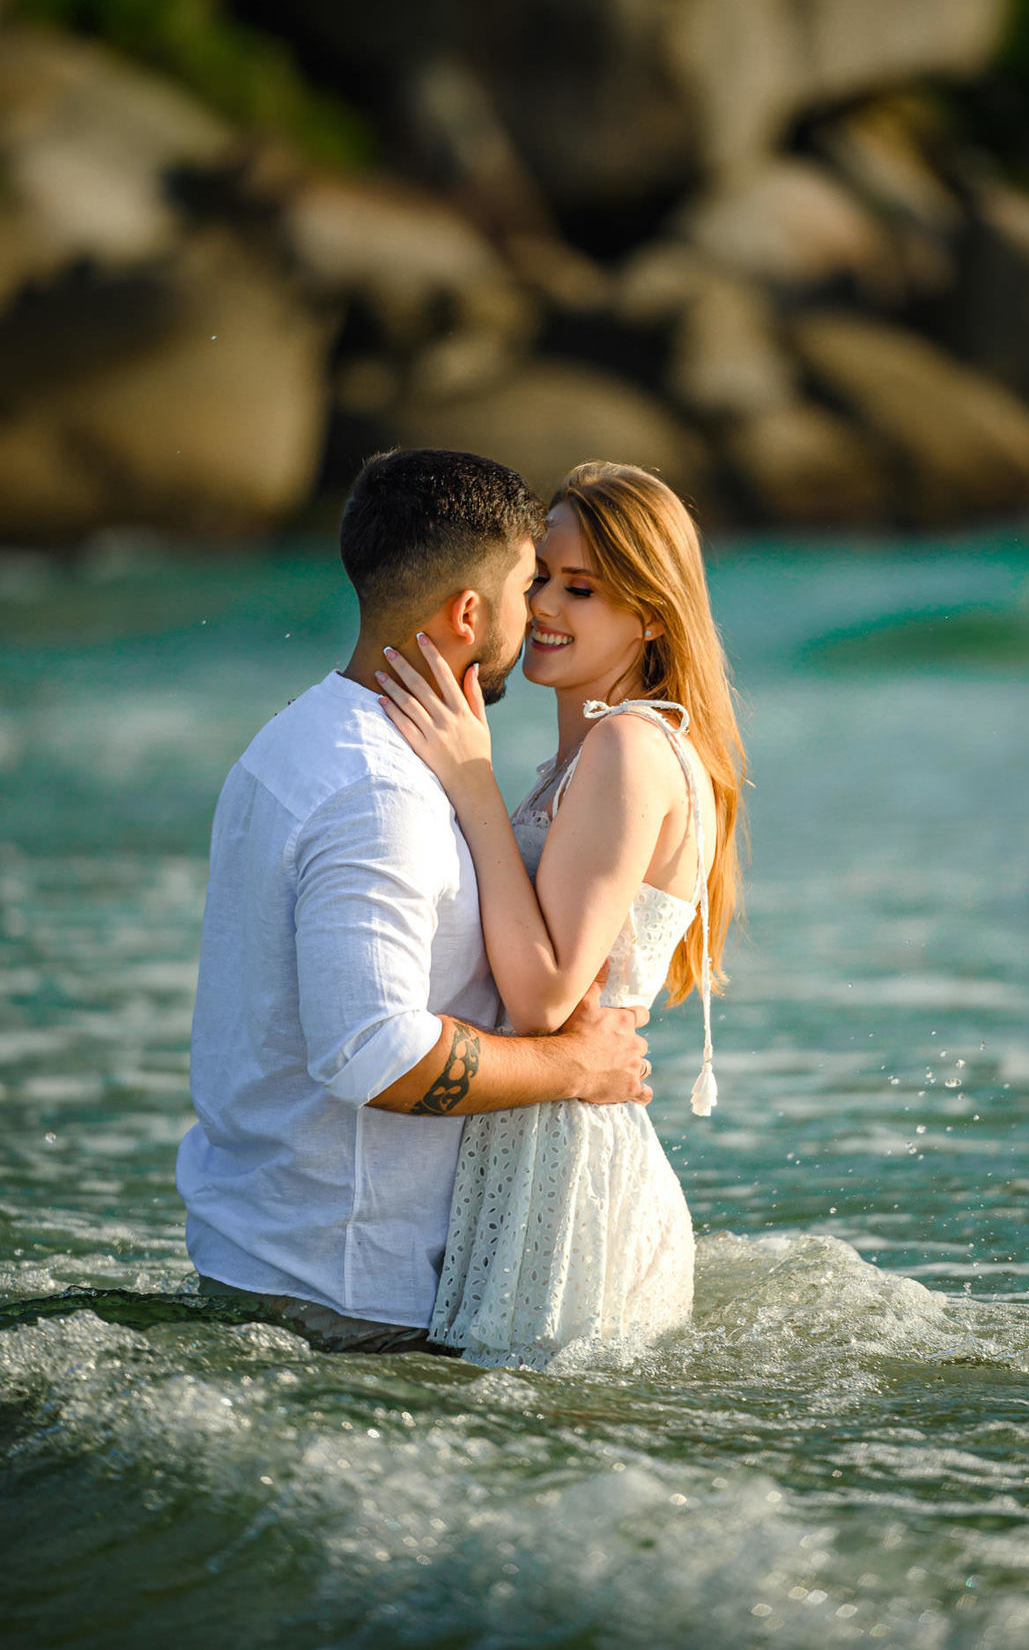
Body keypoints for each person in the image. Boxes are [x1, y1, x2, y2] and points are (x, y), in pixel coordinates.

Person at [176, 449, 654, 1355]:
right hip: (347, 1292)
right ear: (469, 614)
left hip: (265, 1256)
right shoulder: (380, 794)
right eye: (529, 583)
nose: (540, 610)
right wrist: (575, 1069)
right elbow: (375, 1052)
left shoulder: (295, 738)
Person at [375, 461, 746, 1367]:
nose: (543, 605)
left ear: (650, 613)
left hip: (569, 1165)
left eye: (581, 589)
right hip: (539, 1146)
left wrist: (470, 782)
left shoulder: (628, 745)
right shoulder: (578, 765)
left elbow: (543, 999)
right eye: (539, 575)